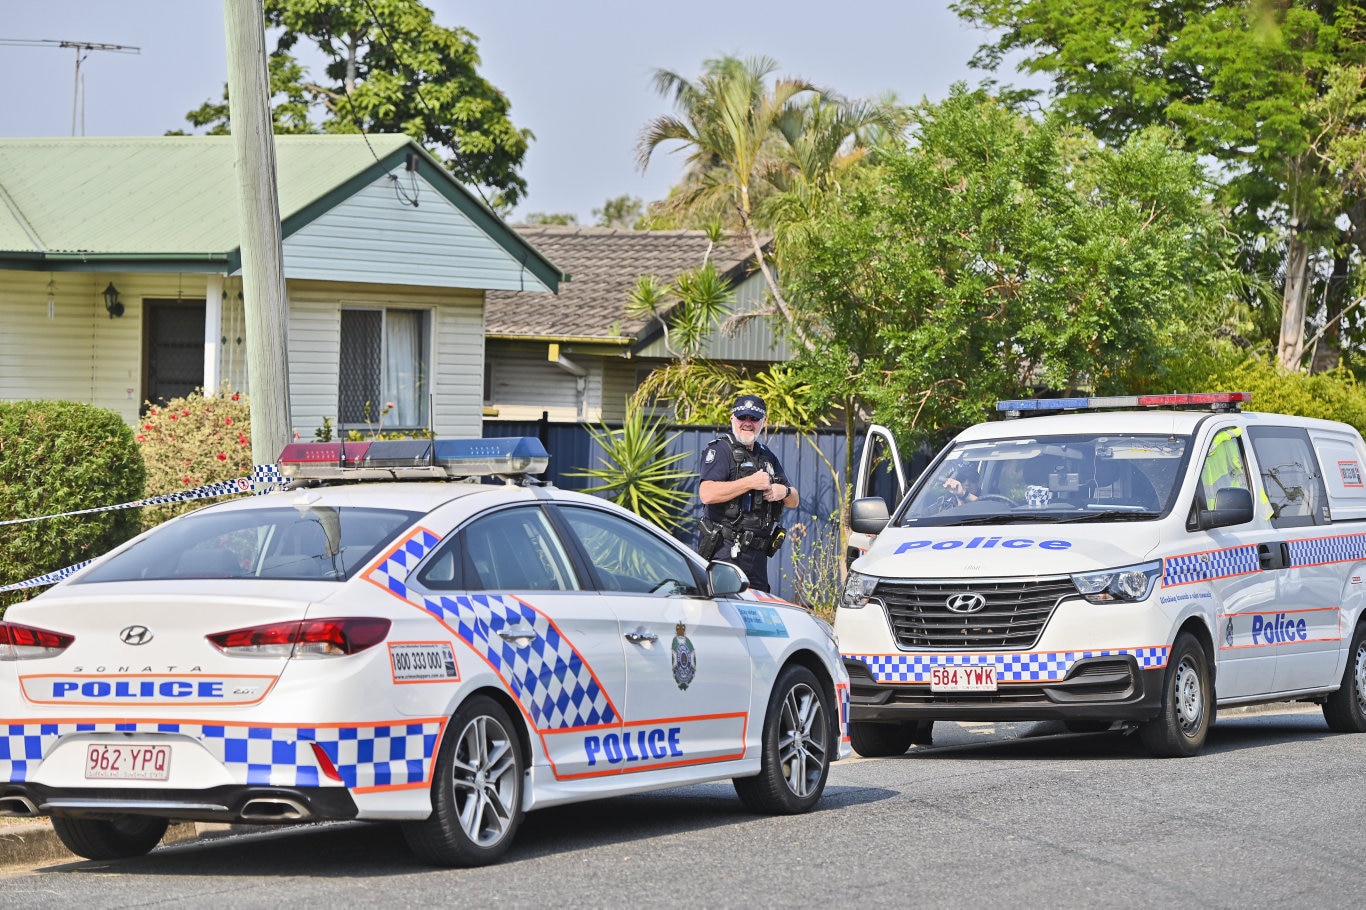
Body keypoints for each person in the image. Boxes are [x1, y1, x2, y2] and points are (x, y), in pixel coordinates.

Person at [696, 394, 798, 593]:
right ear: (733, 419)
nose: (748, 423)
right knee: (725, 611)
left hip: (757, 556)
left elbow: (794, 500)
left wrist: (783, 491)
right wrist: (750, 482)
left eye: (754, 418)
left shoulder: (767, 456)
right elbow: (706, 494)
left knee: (758, 615)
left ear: (763, 422)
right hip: (725, 552)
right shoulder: (721, 451)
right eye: (743, 417)